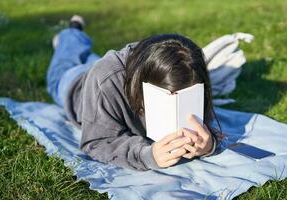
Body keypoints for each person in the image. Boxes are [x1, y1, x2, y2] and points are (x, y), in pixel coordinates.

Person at [46, 15, 221, 171]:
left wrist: (208, 145)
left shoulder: (190, 72)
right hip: (75, 85)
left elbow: (207, 125)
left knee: (92, 59)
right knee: (67, 60)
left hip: (111, 70)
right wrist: (146, 155)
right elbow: (97, 141)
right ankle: (72, 32)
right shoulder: (105, 78)